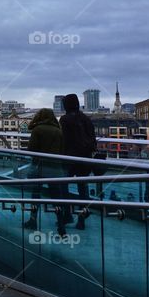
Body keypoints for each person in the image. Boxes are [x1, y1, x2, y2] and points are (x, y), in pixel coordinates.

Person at [22, 108, 70, 235]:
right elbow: (62, 151)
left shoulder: (38, 130)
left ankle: (33, 220)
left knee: (35, 195)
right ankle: (61, 225)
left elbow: (31, 149)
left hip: (40, 168)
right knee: (57, 198)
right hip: (56, 168)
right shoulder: (59, 131)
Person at [59, 93, 97, 230]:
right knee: (83, 188)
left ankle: (67, 213)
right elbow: (92, 137)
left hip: (69, 157)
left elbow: (64, 140)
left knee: (63, 186)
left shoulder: (64, 119)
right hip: (85, 158)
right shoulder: (86, 119)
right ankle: (82, 219)